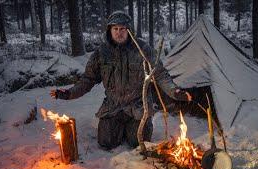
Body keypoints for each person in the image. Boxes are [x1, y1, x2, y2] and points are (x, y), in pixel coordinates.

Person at [50, 11, 191, 150]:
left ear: (129, 30)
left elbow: (160, 74)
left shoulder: (143, 49)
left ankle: (132, 128)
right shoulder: (101, 52)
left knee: (138, 143)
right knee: (106, 142)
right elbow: (88, 79)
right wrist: (69, 93)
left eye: (123, 29)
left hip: (138, 107)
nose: (119, 32)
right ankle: (119, 127)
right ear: (109, 31)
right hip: (113, 107)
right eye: (115, 29)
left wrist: (174, 91)